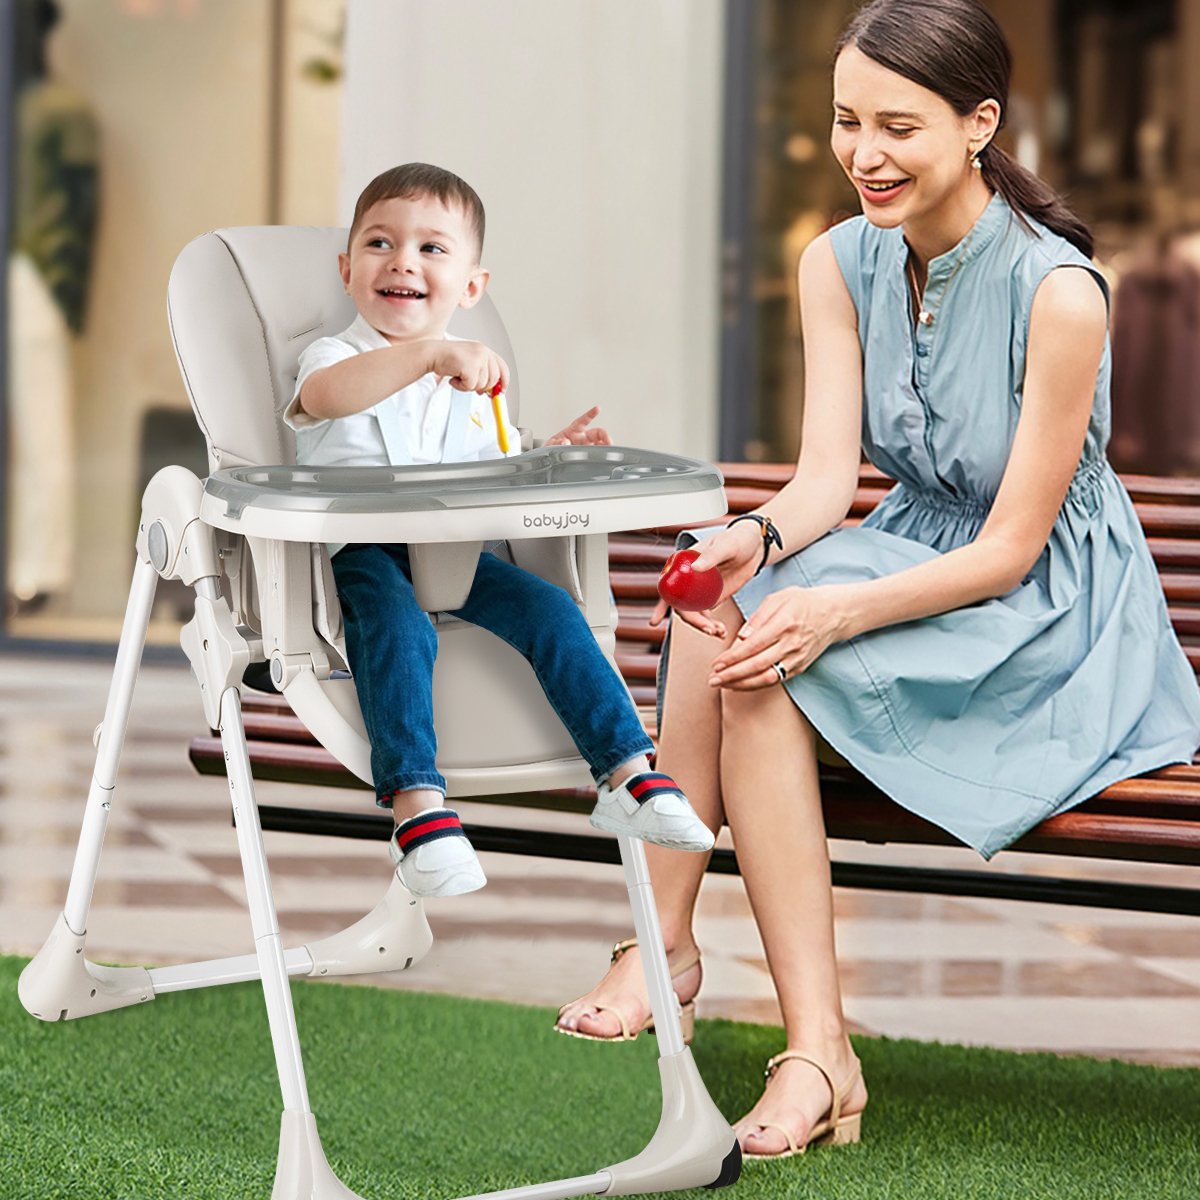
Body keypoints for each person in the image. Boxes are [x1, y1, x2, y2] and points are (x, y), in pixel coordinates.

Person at [555, 0, 1200, 1162]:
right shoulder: (836, 256)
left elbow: (1011, 549)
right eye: (847, 120)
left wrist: (836, 607)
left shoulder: (1063, 295)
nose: (864, 153)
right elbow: (820, 485)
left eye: (897, 126)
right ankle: (676, 948)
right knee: (718, 617)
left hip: (1042, 608)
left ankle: (813, 1054)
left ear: (978, 125)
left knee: (763, 668)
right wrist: (755, 539)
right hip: (911, 553)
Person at [283, 163, 714, 899]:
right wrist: (425, 354)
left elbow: (497, 471)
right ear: (348, 268)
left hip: (457, 554)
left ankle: (627, 776)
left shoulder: (475, 380)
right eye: (381, 243)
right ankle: (418, 808)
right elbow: (324, 399)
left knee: (551, 610)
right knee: (397, 624)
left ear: (472, 287)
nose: (403, 262)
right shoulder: (335, 357)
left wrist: (549, 457)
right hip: (363, 553)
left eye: (431, 249)